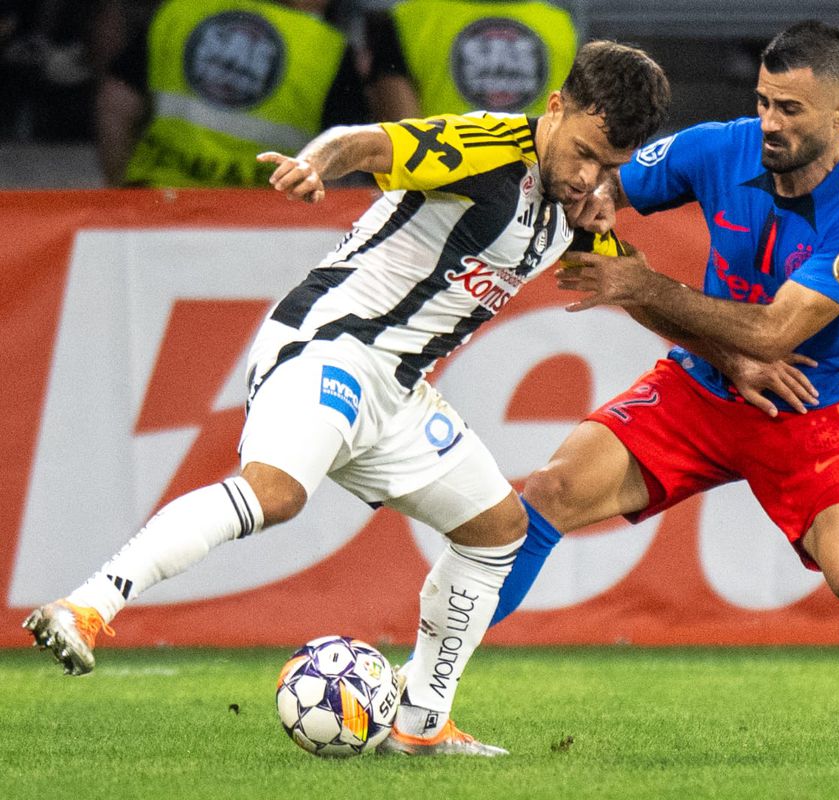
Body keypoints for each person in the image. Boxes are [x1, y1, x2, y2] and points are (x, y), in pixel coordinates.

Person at [24, 39, 670, 758]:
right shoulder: (488, 146)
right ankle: (85, 606)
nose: (588, 177)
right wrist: (316, 164)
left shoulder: (579, 209)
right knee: (275, 494)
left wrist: (736, 357)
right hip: (330, 343)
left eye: (607, 167)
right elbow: (369, 142)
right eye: (582, 152)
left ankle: (422, 724)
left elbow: (636, 286)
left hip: (397, 390)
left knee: (496, 532)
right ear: (555, 108)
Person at [487, 20, 839, 758]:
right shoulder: (720, 145)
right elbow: (601, 179)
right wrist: (600, 205)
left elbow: (776, 335)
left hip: (810, 405)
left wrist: (645, 283)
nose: (770, 123)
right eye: (765, 101)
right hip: (700, 388)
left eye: (791, 110)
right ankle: (421, 692)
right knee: (548, 490)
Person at [95, 0, 368, 187]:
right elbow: (344, 159)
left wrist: (121, 190)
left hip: (157, 199)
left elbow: (114, 109)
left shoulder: (180, 11)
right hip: (264, 223)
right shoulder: (327, 50)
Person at [363, 0, 577, 122]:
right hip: (534, 187)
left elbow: (401, 139)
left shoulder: (409, 18)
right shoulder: (561, 24)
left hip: (439, 187)